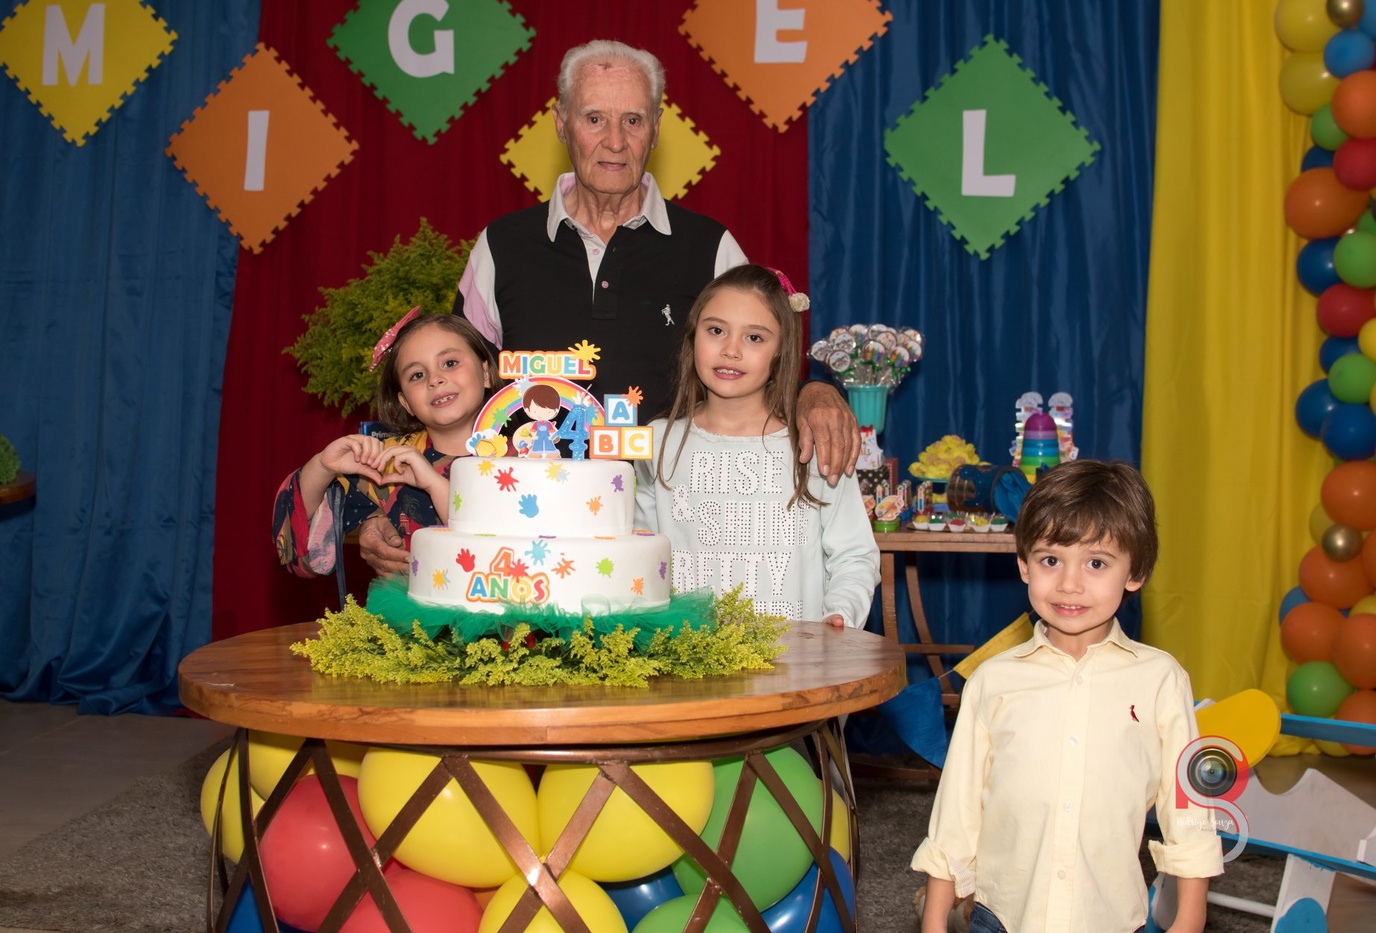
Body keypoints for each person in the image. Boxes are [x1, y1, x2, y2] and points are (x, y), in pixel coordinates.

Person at [357, 38, 858, 575]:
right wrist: (377, 508)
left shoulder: (711, 247)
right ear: (561, 123)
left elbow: (764, 362)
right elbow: (450, 398)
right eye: (594, 118)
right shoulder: (499, 247)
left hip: (674, 546)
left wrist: (815, 392)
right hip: (526, 542)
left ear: (656, 130)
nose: (615, 141)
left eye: (633, 121)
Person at [910, 460, 1222, 933]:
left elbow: (1188, 809)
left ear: (1135, 572)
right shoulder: (992, 681)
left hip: (1111, 917)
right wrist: (935, 920)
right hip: (1004, 915)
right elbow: (957, 810)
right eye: (1050, 560)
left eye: (1096, 563)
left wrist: (1190, 917)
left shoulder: (1162, 681)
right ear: (1024, 565)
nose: (1069, 584)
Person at [633, 264, 879, 628]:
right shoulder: (657, 440)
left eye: (754, 338)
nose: (731, 350)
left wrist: (840, 616)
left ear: (781, 351)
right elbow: (640, 551)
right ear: (692, 336)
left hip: (797, 656)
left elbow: (854, 555)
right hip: (689, 655)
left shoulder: (815, 441)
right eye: (716, 330)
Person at [273, 310, 496, 577]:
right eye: (417, 375)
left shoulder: (529, 453)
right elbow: (298, 546)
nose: (435, 379)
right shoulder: (390, 464)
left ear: (486, 372)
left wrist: (434, 484)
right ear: (405, 403)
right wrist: (322, 467)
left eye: (449, 363)